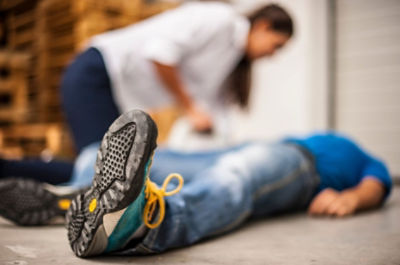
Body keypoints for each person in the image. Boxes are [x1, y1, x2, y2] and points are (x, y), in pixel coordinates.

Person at [0, 110, 392, 257]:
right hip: (257, 147)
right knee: (93, 154)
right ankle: (80, 195)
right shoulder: (307, 135)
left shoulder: (360, 156)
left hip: (298, 166)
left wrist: (352, 197)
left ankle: (144, 222)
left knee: (236, 177)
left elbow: (379, 182)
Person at [0, 2, 294, 185]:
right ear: (264, 26)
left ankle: (22, 175)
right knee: (100, 172)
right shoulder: (218, 19)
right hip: (98, 72)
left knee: (106, 173)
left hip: (115, 91)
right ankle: (9, 170)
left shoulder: (231, 59)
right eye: (276, 45)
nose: (273, 54)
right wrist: (189, 107)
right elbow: (161, 54)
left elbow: (215, 112)